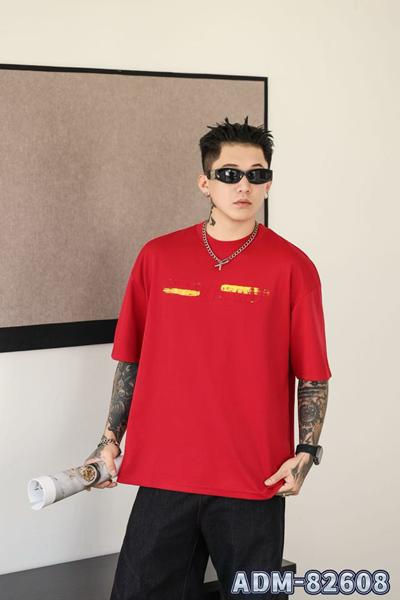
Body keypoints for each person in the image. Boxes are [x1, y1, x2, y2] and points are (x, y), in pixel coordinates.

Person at [84, 116, 332, 599]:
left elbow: (314, 376)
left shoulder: (293, 267)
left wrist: (307, 453)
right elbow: (130, 360)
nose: (244, 186)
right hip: (164, 473)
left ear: (269, 183)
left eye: (257, 174)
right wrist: (109, 440)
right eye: (230, 174)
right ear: (205, 182)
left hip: (251, 478)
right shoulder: (158, 257)